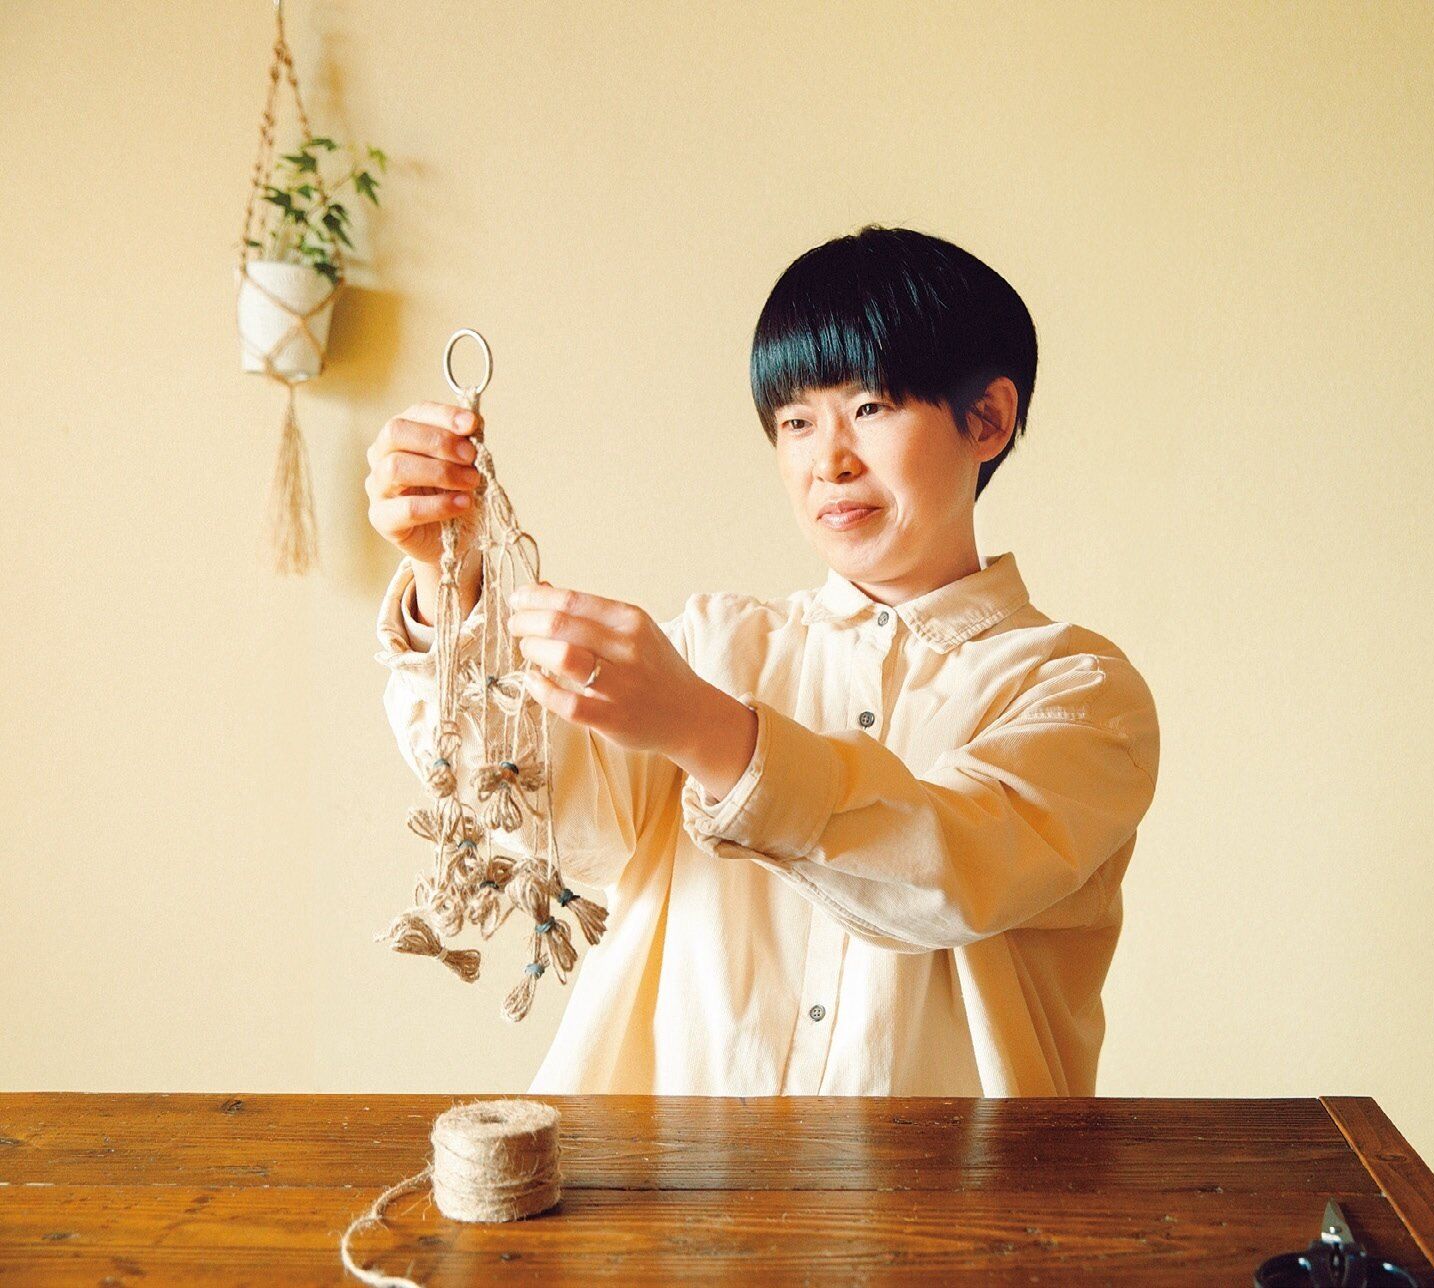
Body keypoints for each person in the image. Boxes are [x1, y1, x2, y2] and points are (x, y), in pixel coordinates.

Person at [365, 223, 1160, 1096]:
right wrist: (446, 578)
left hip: (958, 1181)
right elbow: (556, 820)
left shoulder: (1079, 691)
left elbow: (952, 876)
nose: (829, 461)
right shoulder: (712, 644)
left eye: (870, 407)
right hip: (668, 1173)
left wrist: (703, 729)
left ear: (987, 419)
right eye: (795, 421)